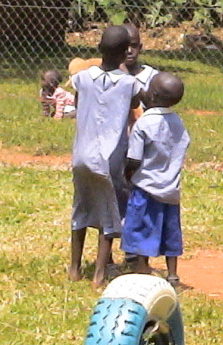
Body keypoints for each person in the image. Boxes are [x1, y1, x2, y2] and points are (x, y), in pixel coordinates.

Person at [69, 26, 139, 287]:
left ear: (98, 49)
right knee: (108, 213)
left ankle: (74, 269)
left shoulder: (83, 77)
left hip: (81, 154)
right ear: (125, 53)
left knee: (81, 206)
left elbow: (78, 103)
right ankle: (100, 274)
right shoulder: (129, 83)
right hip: (110, 157)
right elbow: (136, 106)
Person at [122, 72, 191, 285]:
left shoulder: (143, 124)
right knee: (171, 231)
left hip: (146, 186)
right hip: (170, 189)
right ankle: (172, 274)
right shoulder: (177, 121)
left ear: (151, 96)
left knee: (140, 226)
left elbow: (134, 158)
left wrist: (127, 175)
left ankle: (142, 266)